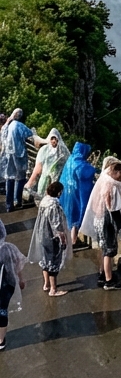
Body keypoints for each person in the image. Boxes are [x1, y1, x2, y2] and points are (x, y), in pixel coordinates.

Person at [81, 157, 121, 289]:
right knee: (109, 250)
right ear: (114, 171)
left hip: (99, 218)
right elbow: (108, 199)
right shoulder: (109, 183)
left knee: (102, 247)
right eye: (119, 173)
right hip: (106, 220)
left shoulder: (104, 178)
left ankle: (103, 274)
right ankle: (109, 281)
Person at [27, 180, 72, 296]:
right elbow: (56, 224)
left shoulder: (44, 201)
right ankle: (53, 289)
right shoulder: (54, 205)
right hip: (52, 237)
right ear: (59, 192)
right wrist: (63, 238)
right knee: (53, 262)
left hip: (42, 234)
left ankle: (46, 284)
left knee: (45, 260)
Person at [58, 141, 97, 248]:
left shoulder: (70, 159)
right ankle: (73, 241)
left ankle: (66, 240)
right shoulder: (79, 162)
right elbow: (85, 173)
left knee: (67, 216)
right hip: (74, 194)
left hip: (66, 191)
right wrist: (95, 169)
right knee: (75, 216)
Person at [0, 109, 35, 211]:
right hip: (18, 155)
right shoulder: (18, 125)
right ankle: (17, 201)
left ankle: (8, 205)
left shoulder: (6, 126)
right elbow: (29, 133)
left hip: (7, 156)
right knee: (20, 178)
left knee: (9, 178)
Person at [0, 219, 27, 351]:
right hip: (6, 285)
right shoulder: (8, 248)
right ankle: (1, 339)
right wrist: (21, 280)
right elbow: (18, 264)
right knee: (2, 310)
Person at [24, 127, 70, 203]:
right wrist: (30, 181)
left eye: (55, 139)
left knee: (54, 200)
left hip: (56, 180)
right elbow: (38, 167)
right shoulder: (44, 150)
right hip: (45, 178)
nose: (54, 141)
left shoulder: (63, 151)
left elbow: (67, 163)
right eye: (52, 138)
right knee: (42, 198)